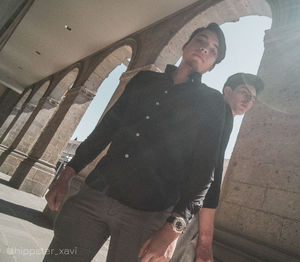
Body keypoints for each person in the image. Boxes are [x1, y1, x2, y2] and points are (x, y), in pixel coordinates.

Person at [44, 23, 228, 262]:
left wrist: (173, 229)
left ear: (212, 66)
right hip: (95, 195)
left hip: (148, 216)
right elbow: (105, 130)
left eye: (213, 51)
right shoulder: (144, 80)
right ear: (185, 45)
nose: (205, 49)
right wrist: (66, 176)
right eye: (201, 41)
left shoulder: (212, 104)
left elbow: (204, 173)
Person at [170, 73, 264, 262]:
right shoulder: (223, 112)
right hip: (180, 205)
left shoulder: (218, 114)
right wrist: (206, 239)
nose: (248, 100)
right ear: (228, 91)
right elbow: (211, 172)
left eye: (252, 98)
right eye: (244, 93)